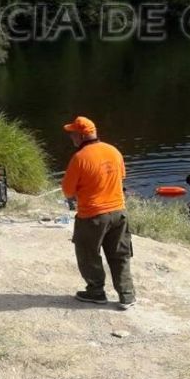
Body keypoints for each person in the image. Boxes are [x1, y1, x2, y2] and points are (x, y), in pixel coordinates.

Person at [61, 116, 136, 310]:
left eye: (72, 134)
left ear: (80, 135)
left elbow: (68, 192)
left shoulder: (79, 158)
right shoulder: (114, 151)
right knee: (120, 254)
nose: (71, 138)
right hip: (119, 212)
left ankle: (96, 292)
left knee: (88, 255)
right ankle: (127, 295)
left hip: (92, 216)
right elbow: (122, 177)